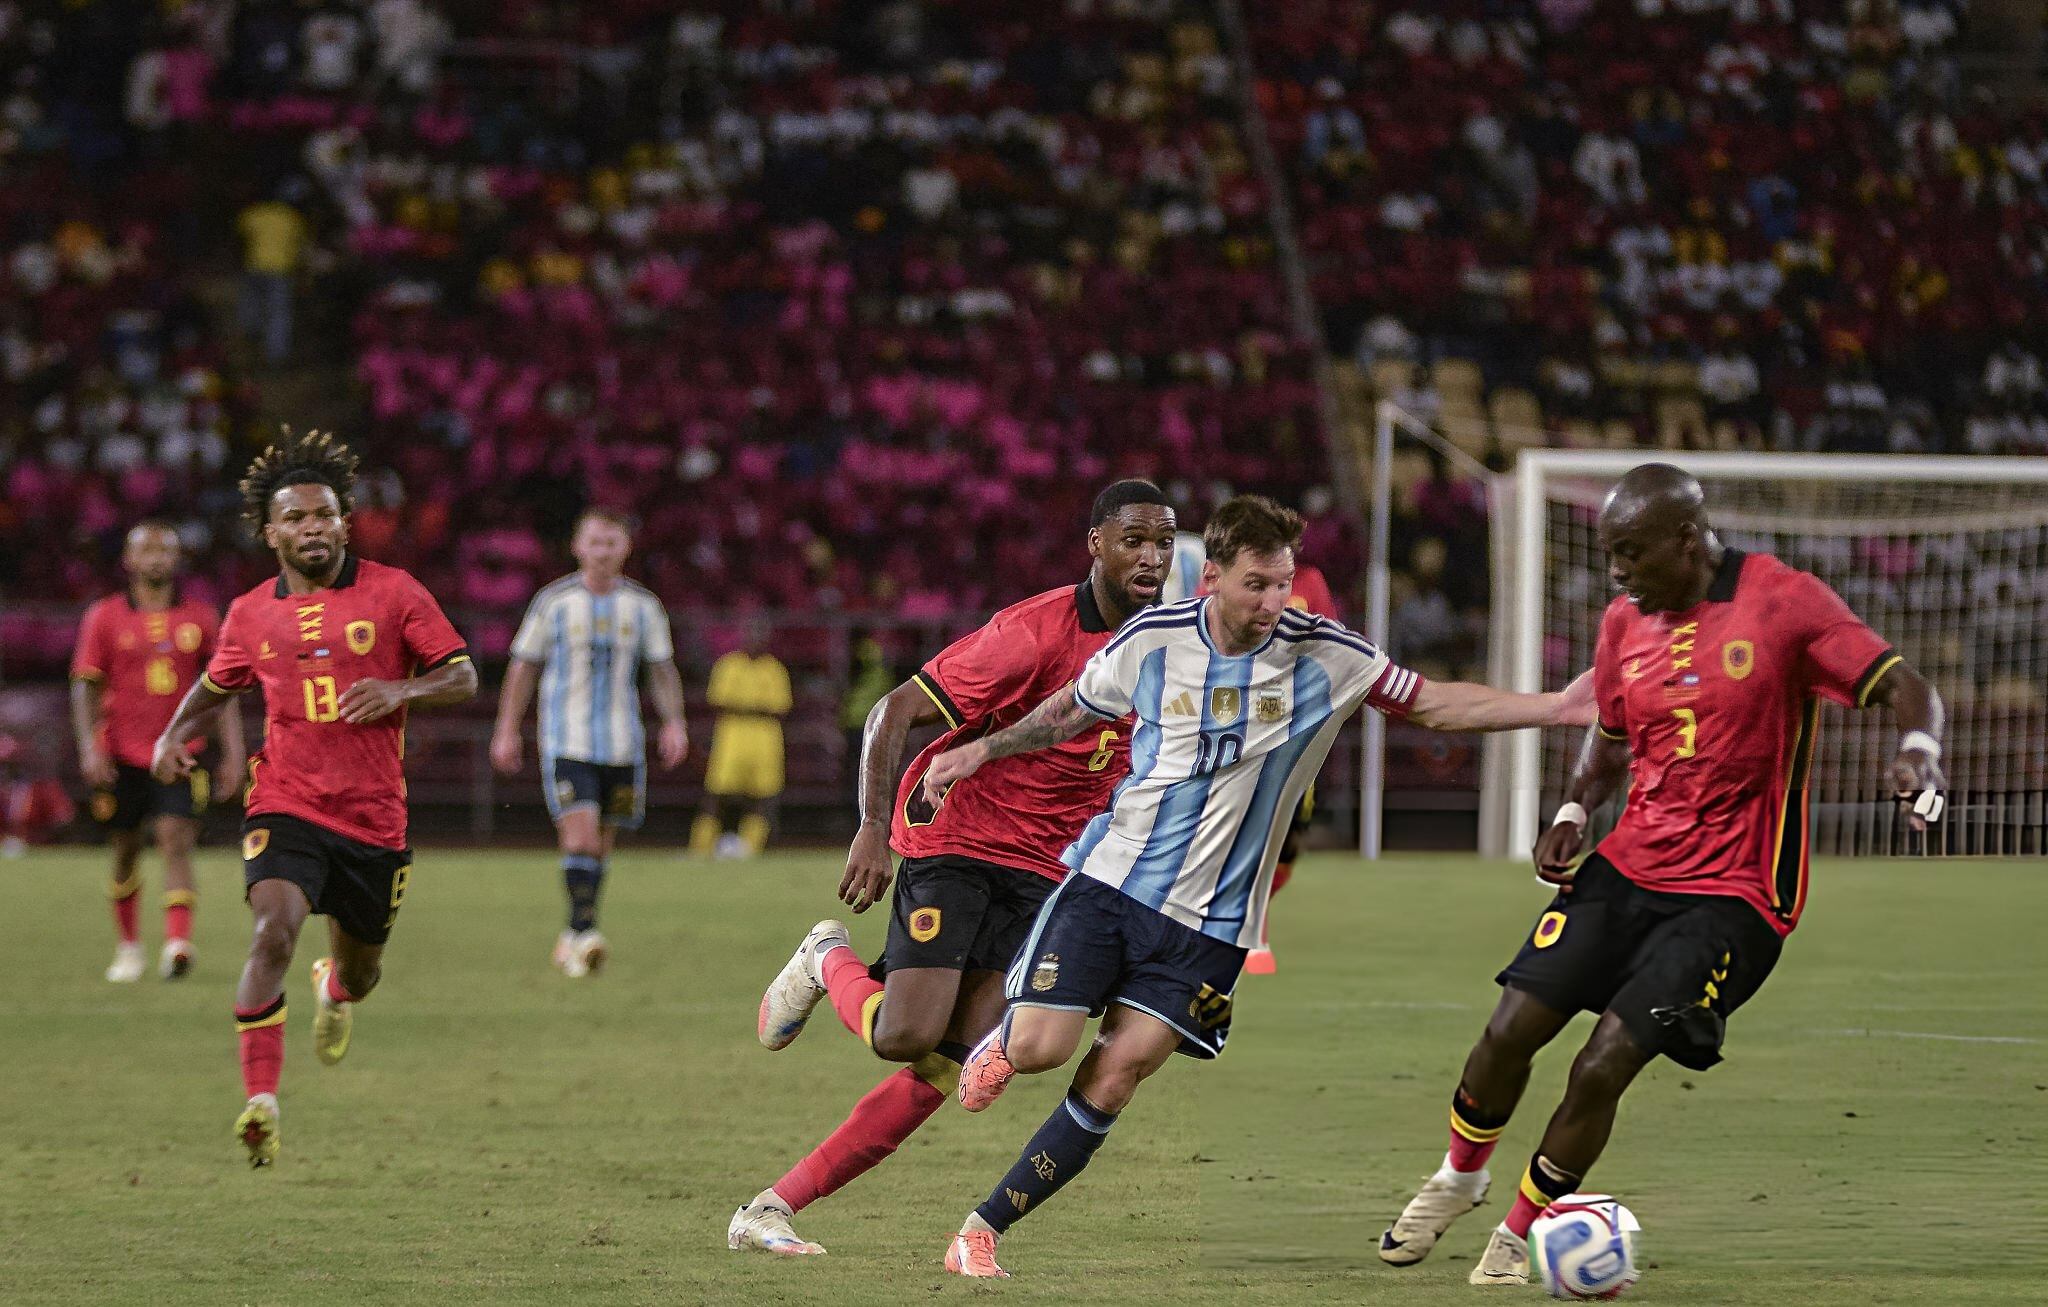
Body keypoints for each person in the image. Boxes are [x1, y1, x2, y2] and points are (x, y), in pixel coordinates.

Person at [917, 495, 1594, 1278]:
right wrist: (981, 751)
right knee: (1040, 1049)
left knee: (1117, 1074)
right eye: (1257, 585)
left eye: (1284, 583)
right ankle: (1009, 1038)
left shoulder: (1329, 654)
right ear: (1211, 579)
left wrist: (1559, 708)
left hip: (1216, 928)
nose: (1275, 602)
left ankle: (981, 1228)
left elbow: (1436, 704)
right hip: (1113, 886)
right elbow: (1070, 710)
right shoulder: (1154, 640)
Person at [1377, 463, 1946, 1286]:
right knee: (1508, 1032)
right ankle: (1458, 1179)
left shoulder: (1784, 602)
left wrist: (1919, 752)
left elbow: (1906, 686)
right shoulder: (1622, 622)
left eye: (1631, 553)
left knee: (1603, 1061)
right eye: (1610, 554)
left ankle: (1520, 1231)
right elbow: (1610, 733)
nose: (1617, 571)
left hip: (1734, 898)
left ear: (1687, 541)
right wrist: (1575, 809)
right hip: (1629, 866)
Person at [728, 479, 1177, 1257]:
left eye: (1165, 541)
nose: (1152, 555)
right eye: (1134, 538)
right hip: (958, 839)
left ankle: (775, 1203)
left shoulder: (1168, 648)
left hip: (1047, 868)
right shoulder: (1031, 631)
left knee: (956, 1055)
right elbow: (893, 709)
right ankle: (826, 955)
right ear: (1096, 544)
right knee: (904, 1034)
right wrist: (871, 826)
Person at [150, 429, 478, 1167]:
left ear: (344, 521)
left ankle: (335, 988)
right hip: (286, 801)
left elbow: (462, 675)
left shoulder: (394, 591)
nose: (313, 528)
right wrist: (172, 736)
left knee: (362, 973)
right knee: (272, 930)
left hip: (373, 817)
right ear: (271, 533)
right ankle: (261, 1101)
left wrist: (400, 687)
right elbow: (215, 687)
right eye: (296, 518)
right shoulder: (248, 613)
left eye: (325, 514)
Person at [490, 508, 689, 977]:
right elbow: (523, 666)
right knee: (579, 833)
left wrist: (674, 722)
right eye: (595, 543)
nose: (603, 552)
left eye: (612, 543)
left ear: (626, 548)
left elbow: (661, 669)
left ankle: (573, 933)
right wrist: (506, 727)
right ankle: (584, 932)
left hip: (623, 744)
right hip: (566, 739)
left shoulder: (643, 606)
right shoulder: (553, 602)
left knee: (600, 844)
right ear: (578, 547)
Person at [72, 521, 245, 981]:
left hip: (181, 753)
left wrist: (233, 753)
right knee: (125, 849)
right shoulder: (103, 616)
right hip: (121, 754)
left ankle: (177, 944)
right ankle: (129, 947)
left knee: (175, 840)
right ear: (128, 561)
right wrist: (91, 748)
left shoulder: (202, 618)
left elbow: (222, 692)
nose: (155, 559)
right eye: (145, 551)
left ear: (177, 560)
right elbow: (85, 687)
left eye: (164, 551)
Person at [691, 619, 792, 859]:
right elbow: (717, 701)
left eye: (760, 633)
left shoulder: (775, 669)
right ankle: (700, 849)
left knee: (762, 797)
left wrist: (742, 706)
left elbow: (780, 708)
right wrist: (756, 707)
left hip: (765, 743)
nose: (755, 639)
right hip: (732, 740)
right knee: (716, 796)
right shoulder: (728, 665)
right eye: (751, 633)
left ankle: (749, 849)